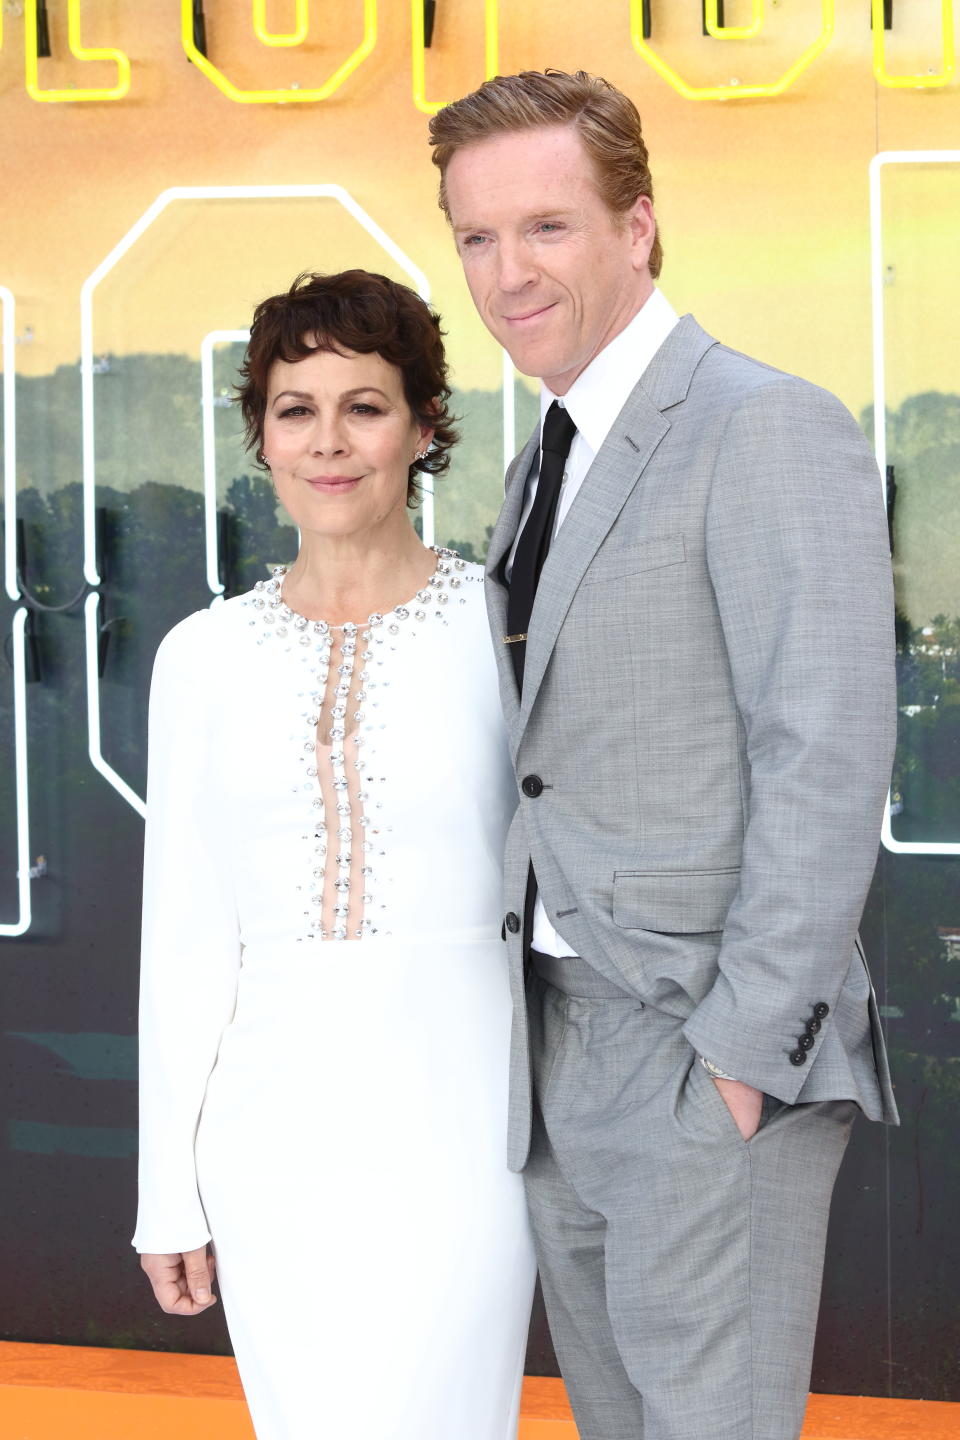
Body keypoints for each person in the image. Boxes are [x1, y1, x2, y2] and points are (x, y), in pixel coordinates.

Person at [429, 70, 898, 1440]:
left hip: (703, 1042)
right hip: (557, 1051)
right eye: (475, 237)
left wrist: (740, 1061)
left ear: (639, 225)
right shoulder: (546, 458)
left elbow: (825, 753)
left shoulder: (765, 423)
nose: (506, 273)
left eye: (548, 227)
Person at [132, 270, 537, 1440]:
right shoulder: (200, 656)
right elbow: (187, 940)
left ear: (423, 427)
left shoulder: (505, 626)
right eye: (295, 408)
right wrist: (170, 1193)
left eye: (364, 405)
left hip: (469, 1129)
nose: (329, 441)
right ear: (259, 432)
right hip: (270, 1144)